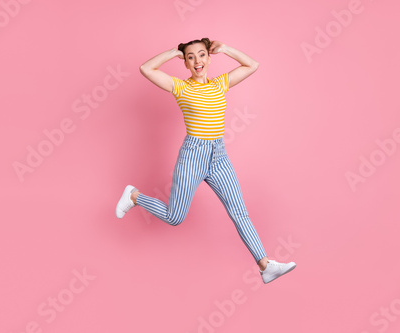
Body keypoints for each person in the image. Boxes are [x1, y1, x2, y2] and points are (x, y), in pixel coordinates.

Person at [115, 38, 296, 284]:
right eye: (191, 57)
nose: (198, 61)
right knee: (175, 217)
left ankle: (265, 265)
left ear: (209, 58)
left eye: (202, 55)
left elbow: (252, 65)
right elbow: (146, 69)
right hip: (193, 155)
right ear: (186, 64)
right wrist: (173, 52)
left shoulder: (220, 83)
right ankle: (134, 196)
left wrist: (226, 49)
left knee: (239, 212)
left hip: (218, 155)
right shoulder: (181, 87)